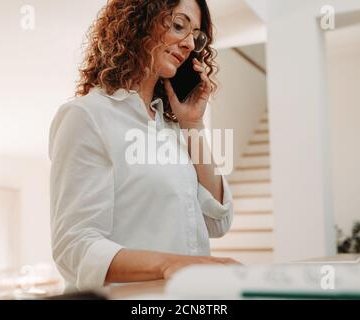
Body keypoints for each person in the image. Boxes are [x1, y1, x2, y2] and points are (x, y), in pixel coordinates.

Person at [49, 0, 239, 292]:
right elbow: (74, 248)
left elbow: (218, 222)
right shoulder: (88, 116)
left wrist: (193, 126)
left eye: (195, 35)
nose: (189, 43)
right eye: (179, 26)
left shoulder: (173, 128)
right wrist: (169, 264)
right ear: (139, 21)